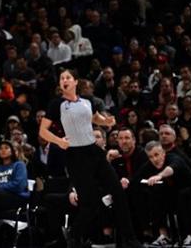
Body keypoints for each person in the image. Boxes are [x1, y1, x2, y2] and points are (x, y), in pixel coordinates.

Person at [39, 68, 141, 248]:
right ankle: (74, 233)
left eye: (68, 77)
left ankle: (130, 240)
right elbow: (42, 131)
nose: (65, 80)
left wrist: (107, 122)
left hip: (94, 153)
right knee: (90, 204)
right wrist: (59, 141)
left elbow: (96, 119)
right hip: (75, 156)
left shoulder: (87, 102)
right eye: (62, 78)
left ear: (75, 82)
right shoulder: (57, 104)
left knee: (118, 192)